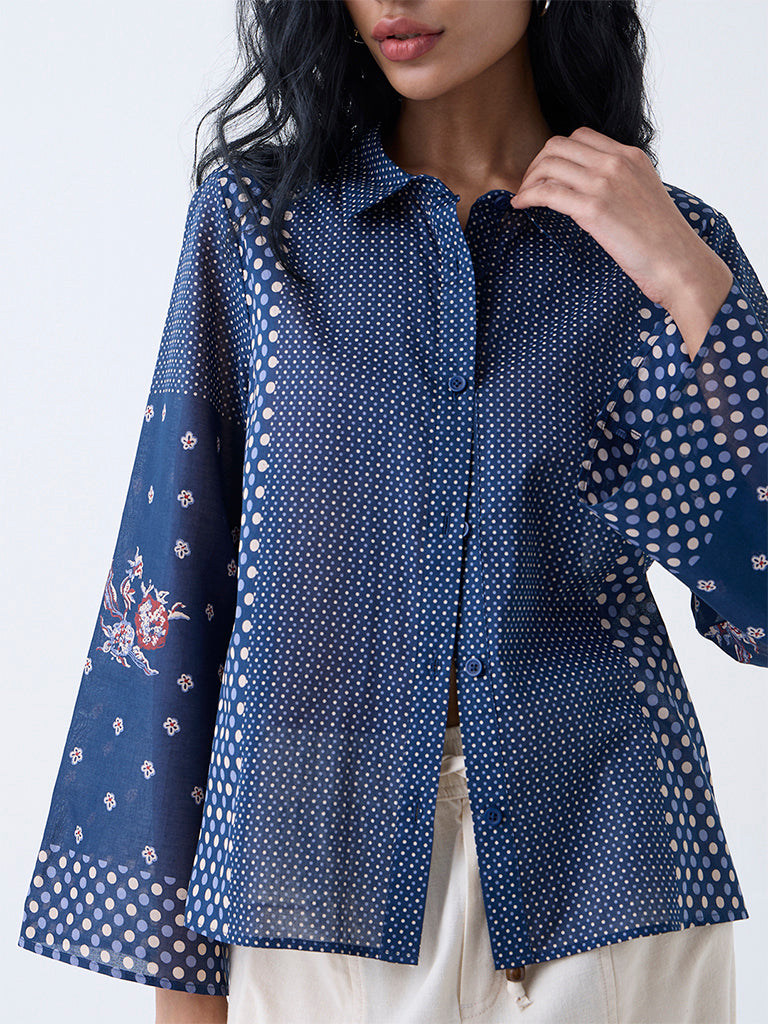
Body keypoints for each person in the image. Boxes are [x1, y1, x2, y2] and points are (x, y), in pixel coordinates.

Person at [17, 1, 766, 1022]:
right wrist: (184, 989)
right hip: (309, 881)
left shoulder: (658, 247)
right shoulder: (258, 226)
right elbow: (172, 602)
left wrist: (689, 279)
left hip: (612, 872)